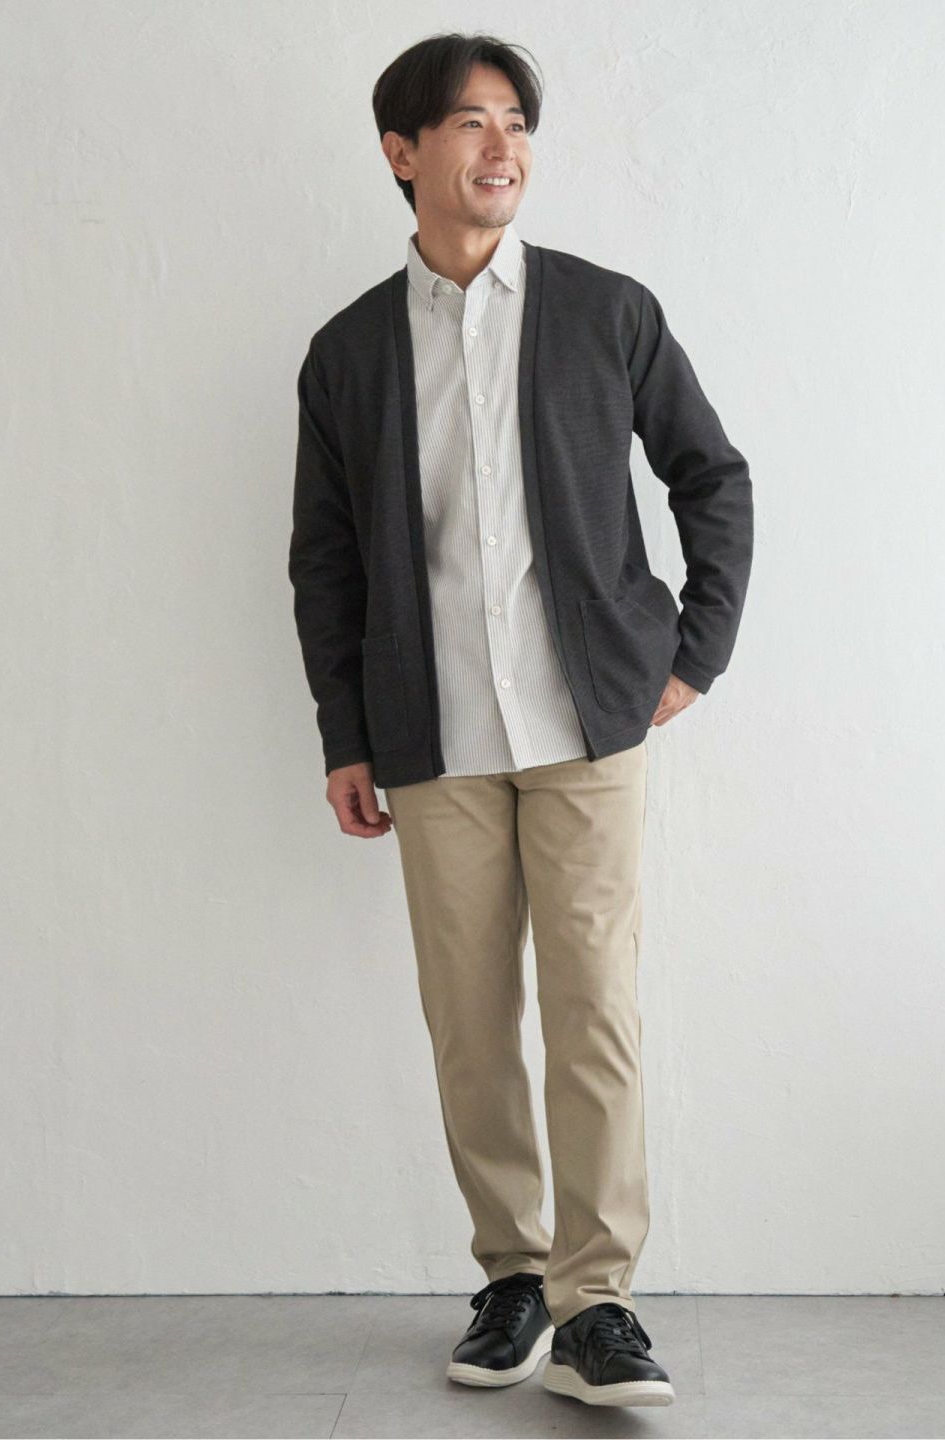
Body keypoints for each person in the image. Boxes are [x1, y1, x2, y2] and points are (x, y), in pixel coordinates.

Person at [288, 30, 753, 1411]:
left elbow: (711, 476)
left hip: (588, 727)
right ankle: (514, 1279)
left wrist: (695, 650)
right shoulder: (349, 352)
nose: (503, 147)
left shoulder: (606, 311)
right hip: (431, 734)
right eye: (470, 122)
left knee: (594, 1008)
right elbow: (326, 559)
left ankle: (599, 1299)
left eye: (517, 123)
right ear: (402, 152)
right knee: (471, 1022)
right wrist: (345, 732)